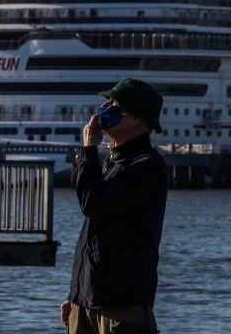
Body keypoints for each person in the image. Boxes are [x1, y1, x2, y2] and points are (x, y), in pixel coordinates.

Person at [60, 78, 169, 334]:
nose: (105, 106)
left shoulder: (146, 165)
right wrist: (75, 294)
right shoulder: (113, 161)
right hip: (87, 302)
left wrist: (88, 149)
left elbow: (92, 203)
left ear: (136, 118)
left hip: (122, 305)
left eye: (114, 103)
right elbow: (93, 234)